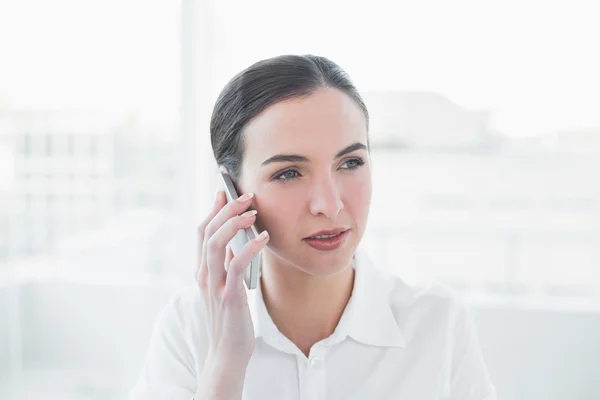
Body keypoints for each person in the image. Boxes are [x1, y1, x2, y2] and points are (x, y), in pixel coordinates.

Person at [129, 54, 497, 400]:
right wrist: (224, 367)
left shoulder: (437, 323)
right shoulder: (188, 327)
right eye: (288, 173)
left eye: (351, 163)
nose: (330, 204)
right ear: (233, 191)